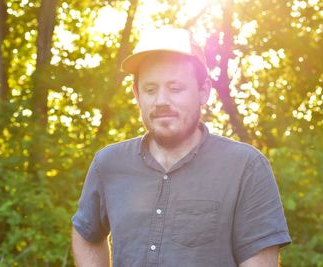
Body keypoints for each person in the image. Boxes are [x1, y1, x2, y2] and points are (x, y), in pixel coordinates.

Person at [71, 28, 291, 267]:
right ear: (136, 94)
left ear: (203, 91)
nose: (161, 101)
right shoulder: (108, 164)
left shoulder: (246, 167)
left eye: (175, 88)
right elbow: (86, 234)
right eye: (150, 89)